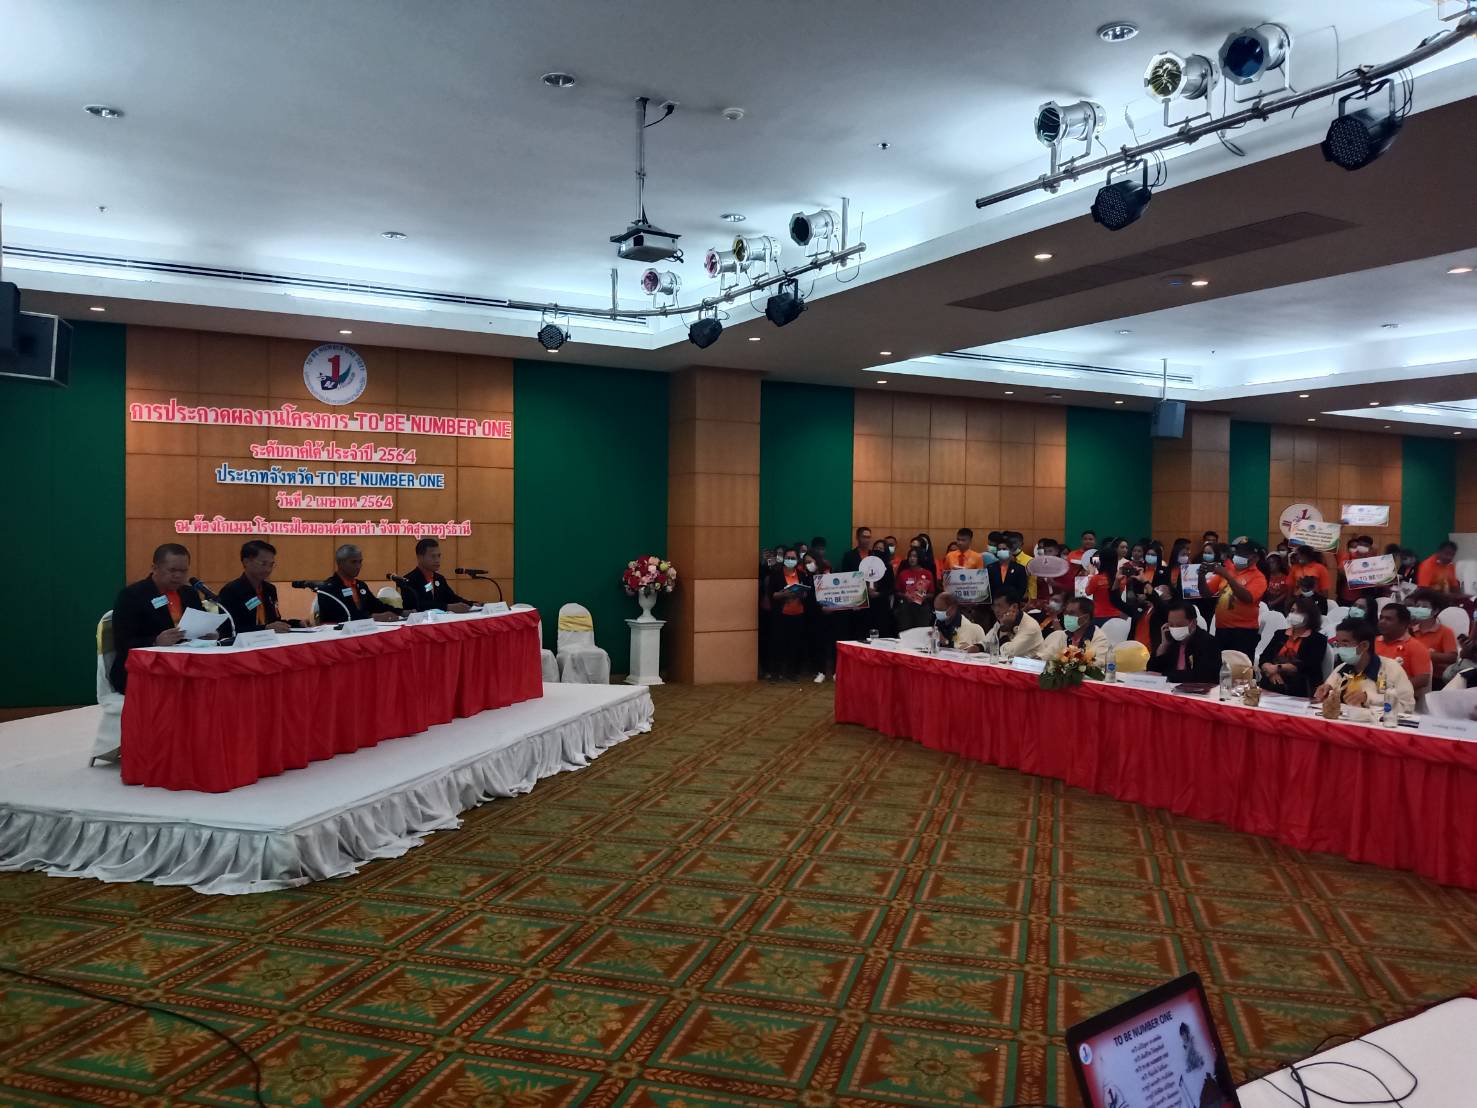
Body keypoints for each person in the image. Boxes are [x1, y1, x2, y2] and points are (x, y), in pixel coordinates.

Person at [109, 543, 213, 692]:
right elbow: (122, 643)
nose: (178, 576)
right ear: (155, 568)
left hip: (185, 666)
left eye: (183, 571)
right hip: (142, 669)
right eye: (172, 570)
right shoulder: (132, 595)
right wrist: (155, 641)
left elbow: (200, 625)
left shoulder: (189, 594)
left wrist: (209, 634)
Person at [1315, 618, 1415, 715]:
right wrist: (1325, 693)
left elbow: (1407, 706)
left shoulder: (1391, 668)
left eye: (1345, 644)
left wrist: (1368, 698)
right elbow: (1325, 696)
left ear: (1364, 645)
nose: (1340, 649)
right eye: (1338, 644)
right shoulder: (1341, 669)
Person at [1257, 596, 1327, 698]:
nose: (1294, 615)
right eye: (1292, 611)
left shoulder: (1318, 639)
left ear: (1310, 616)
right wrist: (1271, 672)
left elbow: (1308, 665)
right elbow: (1264, 658)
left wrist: (1277, 668)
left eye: (1299, 612)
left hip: (1301, 685)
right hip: (1272, 681)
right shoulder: (1280, 634)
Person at [1208, 541, 1267, 660]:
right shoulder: (1228, 570)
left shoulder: (1258, 577)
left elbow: (1247, 598)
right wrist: (1200, 575)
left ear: (1255, 558)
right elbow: (1206, 593)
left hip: (1243, 632)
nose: (1238, 555)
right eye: (1237, 552)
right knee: (1220, 665)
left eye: (1243, 553)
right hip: (1221, 628)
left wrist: (1228, 577)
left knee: (1240, 667)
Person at [218, 539, 293, 633]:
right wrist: (264, 629)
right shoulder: (231, 591)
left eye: (271, 565)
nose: (268, 569)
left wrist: (297, 623)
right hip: (244, 642)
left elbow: (274, 622)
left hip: (271, 640)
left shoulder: (270, 589)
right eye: (263, 564)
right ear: (246, 562)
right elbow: (228, 630)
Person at [1147, 601, 1222, 684]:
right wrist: (1163, 646)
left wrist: (1167, 676)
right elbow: (1151, 671)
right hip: (1169, 688)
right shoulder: (1171, 641)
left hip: (1196, 690)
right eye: (1171, 625)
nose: (1175, 628)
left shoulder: (1208, 642)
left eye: (1179, 625)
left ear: (1193, 623)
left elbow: (1202, 676)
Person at [322, 543, 400, 622]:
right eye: (353, 562)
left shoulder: (361, 585)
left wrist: (401, 612)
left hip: (364, 627)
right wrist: (371, 617)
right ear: (340, 563)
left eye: (360, 562)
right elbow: (338, 615)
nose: (358, 566)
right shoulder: (328, 588)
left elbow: (378, 606)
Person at [398, 538, 472, 613]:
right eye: (433, 556)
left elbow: (452, 597)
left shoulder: (439, 578)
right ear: (420, 557)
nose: (437, 560)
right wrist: (447, 607)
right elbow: (418, 604)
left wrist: (471, 604)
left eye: (439, 556)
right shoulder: (408, 580)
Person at [765, 547, 808, 680]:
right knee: (778, 644)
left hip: (798, 614)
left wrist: (803, 594)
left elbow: (806, 593)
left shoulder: (801, 574)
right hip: (782, 615)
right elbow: (772, 594)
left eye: (792, 558)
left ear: (797, 560)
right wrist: (784, 594)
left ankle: (792, 672)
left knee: (795, 644)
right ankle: (776, 673)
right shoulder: (776, 574)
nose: (790, 560)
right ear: (783, 559)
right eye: (788, 558)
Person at [1375, 602, 1433, 698]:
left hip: (1399, 699)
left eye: (1388, 619)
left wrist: (1392, 691)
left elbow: (1423, 679)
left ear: (1403, 624)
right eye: (1381, 618)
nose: (1382, 622)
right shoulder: (1373, 642)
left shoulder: (1416, 647)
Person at [1037, 596, 1110, 663]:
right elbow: (1043, 656)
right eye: (1066, 612)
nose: (1067, 616)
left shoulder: (1099, 638)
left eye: (1071, 613)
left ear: (1085, 618)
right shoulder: (1059, 635)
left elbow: (1096, 664)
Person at [1406, 588, 1459, 677]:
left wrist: (1426, 654)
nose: (1419, 609)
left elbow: (1452, 657)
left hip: (1436, 677)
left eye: (1424, 607)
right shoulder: (1409, 630)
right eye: (1417, 606)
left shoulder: (1445, 631)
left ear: (1435, 611)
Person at [983, 594, 1043, 659]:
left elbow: (1008, 652)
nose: (996, 610)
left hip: (1029, 664)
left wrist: (1005, 627)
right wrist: (977, 647)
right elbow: (985, 644)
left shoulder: (1030, 626)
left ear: (1014, 607)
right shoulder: (1001, 621)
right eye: (994, 606)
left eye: (1000, 606)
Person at [896, 546, 937, 630]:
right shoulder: (903, 573)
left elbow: (932, 593)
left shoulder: (927, 573)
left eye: (915, 556)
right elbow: (897, 591)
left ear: (920, 558)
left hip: (922, 608)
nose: (912, 558)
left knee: (921, 632)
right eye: (910, 556)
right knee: (906, 632)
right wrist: (905, 596)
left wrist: (923, 597)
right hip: (906, 607)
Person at [866, 538, 898, 637]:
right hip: (867, 604)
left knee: (882, 631)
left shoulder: (888, 567)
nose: (878, 550)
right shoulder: (866, 565)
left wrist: (879, 593)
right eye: (876, 548)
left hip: (882, 605)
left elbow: (891, 588)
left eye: (881, 549)